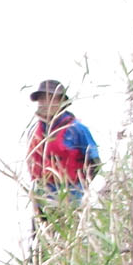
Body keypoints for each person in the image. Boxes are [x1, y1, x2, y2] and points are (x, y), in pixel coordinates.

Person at [25, 79, 101, 217]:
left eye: (49, 98)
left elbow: (95, 162)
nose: (44, 103)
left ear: (61, 101)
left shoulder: (77, 129)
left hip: (71, 195)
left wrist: (81, 187)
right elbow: (31, 163)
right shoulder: (34, 131)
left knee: (69, 233)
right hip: (43, 196)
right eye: (41, 99)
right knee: (44, 236)